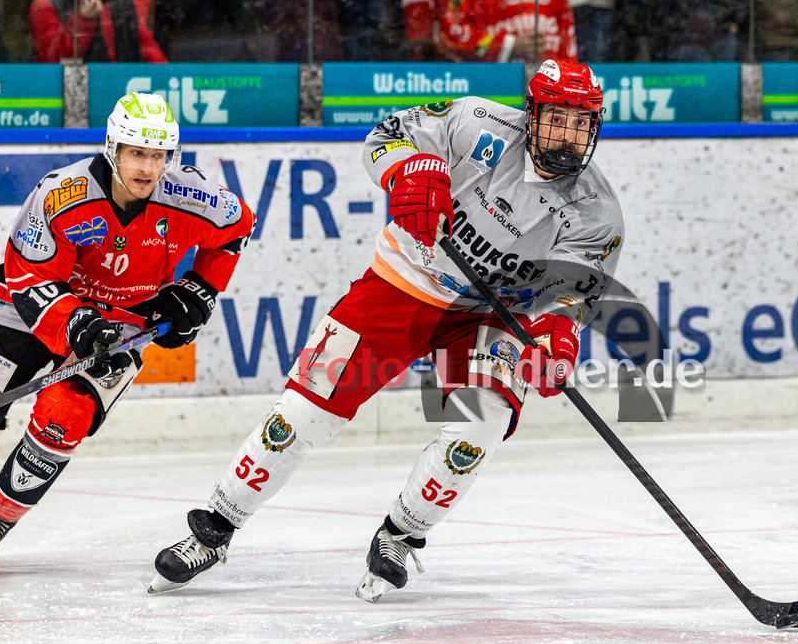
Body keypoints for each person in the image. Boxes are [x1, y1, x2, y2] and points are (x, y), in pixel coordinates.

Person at [149, 59, 625, 602]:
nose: (568, 137)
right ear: (533, 112)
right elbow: (387, 135)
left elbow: (570, 293)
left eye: (581, 123)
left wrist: (556, 337)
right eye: (557, 119)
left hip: (492, 318)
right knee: (300, 412)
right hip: (403, 283)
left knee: (479, 430)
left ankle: (401, 534)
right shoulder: (475, 123)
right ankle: (213, 529)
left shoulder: (596, 214)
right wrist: (408, 172)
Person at [0, 93, 255, 554]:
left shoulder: (192, 197)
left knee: (64, 418)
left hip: (121, 326)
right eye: (137, 152)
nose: (147, 168)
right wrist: (75, 323)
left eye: (158, 156)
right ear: (112, 148)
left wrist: (200, 290)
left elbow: (237, 228)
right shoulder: (61, 194)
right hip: (23, 309)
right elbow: (26, 274)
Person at [437, 0, 577, 65]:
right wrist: (509, 43)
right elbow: (452, 36)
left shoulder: (558, 2)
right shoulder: (473, 1)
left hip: (545, 89)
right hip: (493, 86)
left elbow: (568, 56)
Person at [30, 0, 167, 63]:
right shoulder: (47, 5)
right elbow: (53, 61)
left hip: (120, 87)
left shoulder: (127, 5)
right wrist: (84, 22)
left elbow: (149, 52)